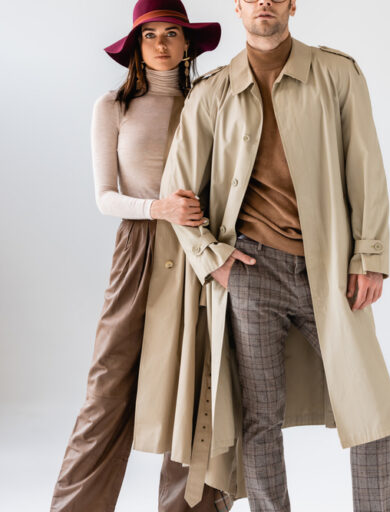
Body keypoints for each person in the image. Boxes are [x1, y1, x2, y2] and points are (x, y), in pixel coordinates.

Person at [135, 0, 390, 510]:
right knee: (260, 418)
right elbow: (178, 189)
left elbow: (366, 168)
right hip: (251, 271)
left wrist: (369, 256)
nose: (264, 3)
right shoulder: (213, 91)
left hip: (331, 272)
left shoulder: (337, 74)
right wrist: (212, 258)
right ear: (238, 7)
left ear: (292, 5)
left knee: (370, 408)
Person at [50, 1, 233, 510]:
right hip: (139, 247)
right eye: (149, 35)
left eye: (171, 33)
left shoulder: (209, 103)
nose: (160, 44)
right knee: (108, 386)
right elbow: (105, 197)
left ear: (187, 43)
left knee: (196, 389)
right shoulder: (112, 106)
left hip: (199, 251)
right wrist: (159, 208)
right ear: (135, 45)